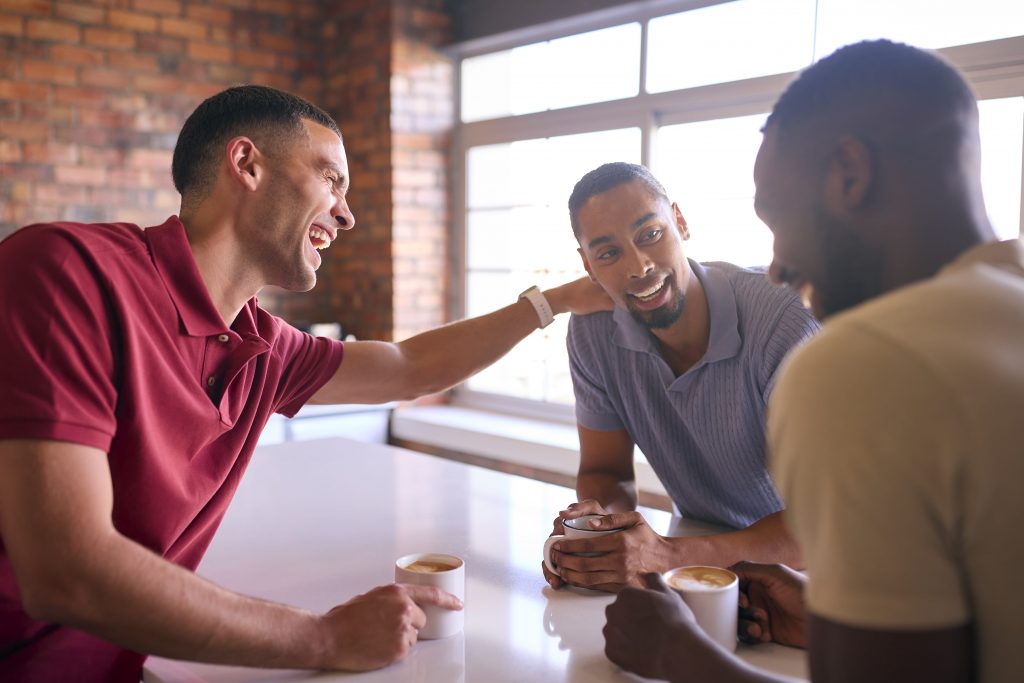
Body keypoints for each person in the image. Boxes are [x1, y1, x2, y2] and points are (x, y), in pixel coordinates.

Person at [0, 85, 609, 682]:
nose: (347, 215)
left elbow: (409, 367)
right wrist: (325, 638)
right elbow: (65, 570)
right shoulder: (66, 273)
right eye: (331, 179)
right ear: (247, 164)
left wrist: (552, 302)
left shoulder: (263, 345)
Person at [603, 39, 1024, 683]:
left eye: (777, 217)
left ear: (849, 174)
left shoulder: (862, 368)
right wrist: (830, 628)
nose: (776, 265)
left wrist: (678, 654)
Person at [543, 162, 820, 593]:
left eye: (650, 234)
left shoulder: (783, 322)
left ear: (680, 222)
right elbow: (605, 469)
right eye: (608, 253)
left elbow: (819, 525)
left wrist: (666, 556)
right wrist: (600, 527)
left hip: (814, 576)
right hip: (703, 570)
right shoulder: (592, 332)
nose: (638, 266)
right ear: (588, 265)